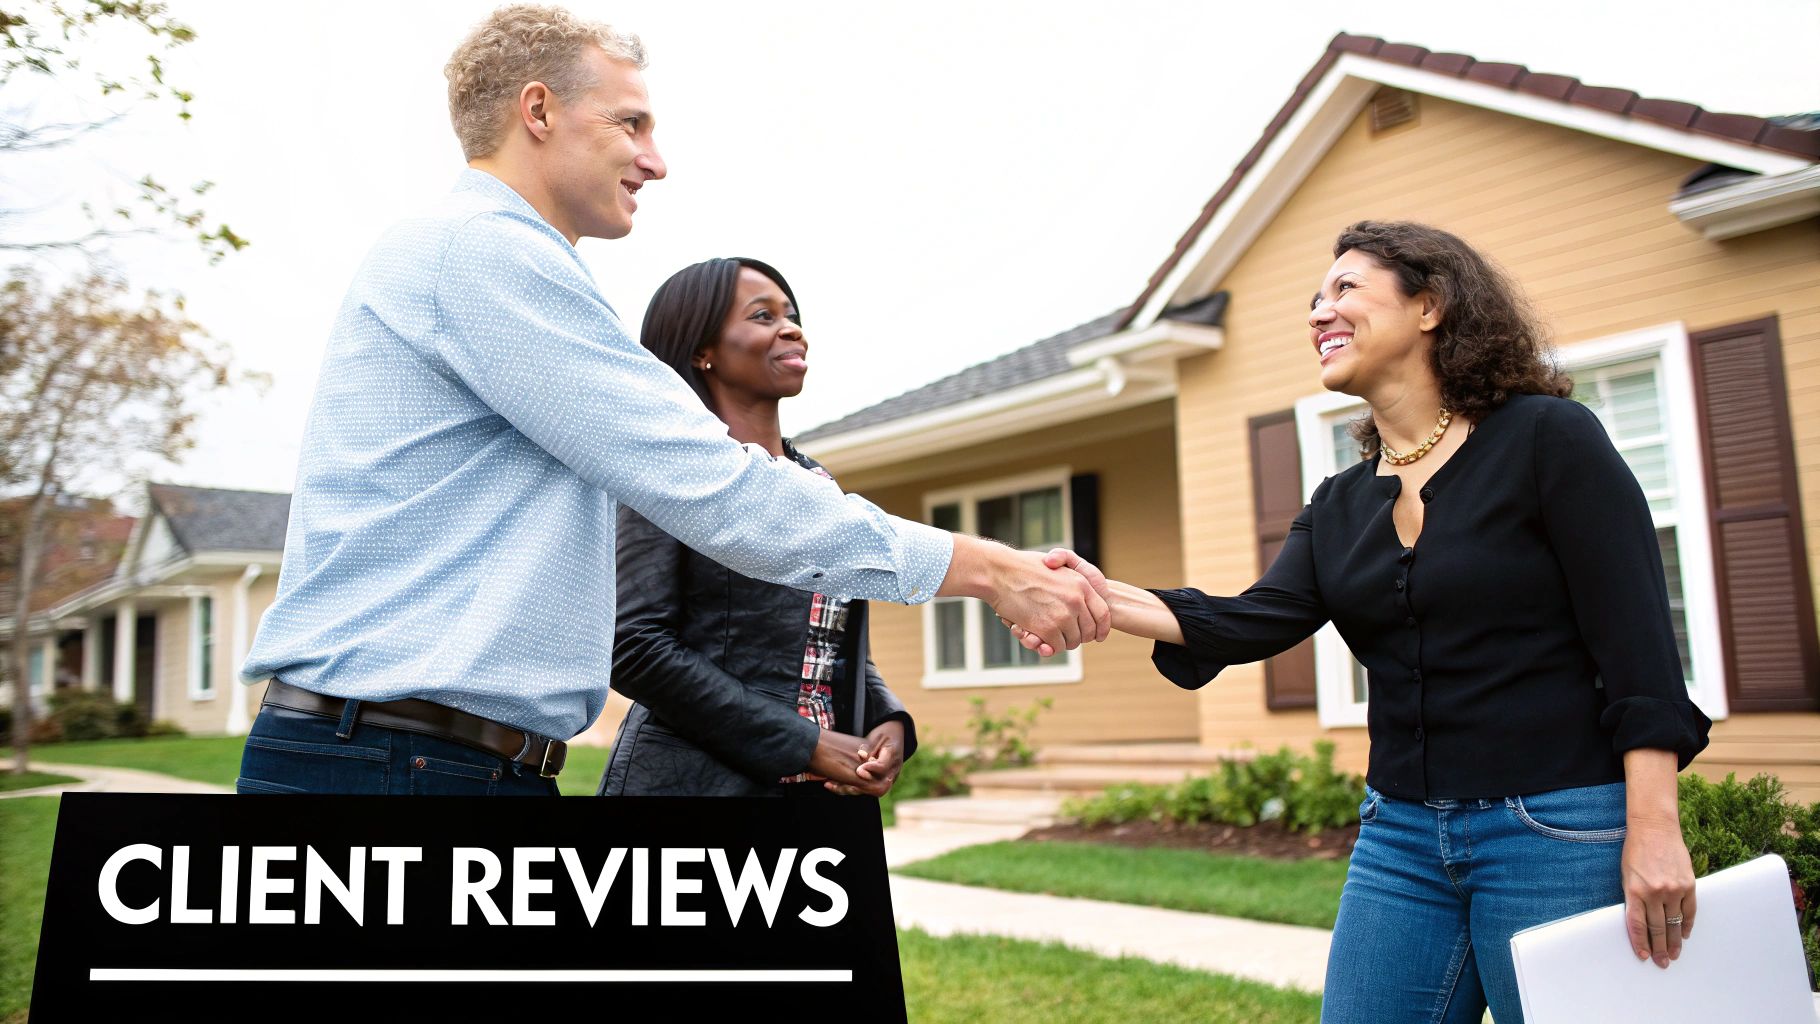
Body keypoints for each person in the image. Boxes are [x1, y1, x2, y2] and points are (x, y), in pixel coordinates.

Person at [234, 4, 1106, 798]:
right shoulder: (482, 256)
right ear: (538, 112)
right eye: (630, 122)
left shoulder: (488, 263)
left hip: (432, 759)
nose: (655, 159)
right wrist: (991, 570)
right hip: (396, 766)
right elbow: (718, 489)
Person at [1013, 221, 1712, 1023]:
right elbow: (1254, 620)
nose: (1320, 312)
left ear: (1431, 305)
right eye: (1315, 299)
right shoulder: (1341, 502)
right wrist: (1094, 596)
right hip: (1401, 839)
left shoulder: (1548, 440)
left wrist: (1655, 828)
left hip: (1554, 828)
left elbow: (1639, 648)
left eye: (1344, 288)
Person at [600, 258, 911, 799]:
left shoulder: (818, 484)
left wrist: (888, 719)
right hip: (694, 789)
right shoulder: (672, 471)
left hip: (825, 791)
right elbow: (633, 644)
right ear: (703, 351)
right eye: (763, 316)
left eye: (790, 314)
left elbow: (827, 643)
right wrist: (805, 742)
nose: (791, 328)